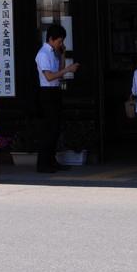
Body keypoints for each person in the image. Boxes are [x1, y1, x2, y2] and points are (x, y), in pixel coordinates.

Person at [35, 23, 80, 173]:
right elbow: (49, 77)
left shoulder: (53, 52)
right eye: (59, 41)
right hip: (47, 93)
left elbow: (58, 71)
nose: (61, 44)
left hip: (54, 91)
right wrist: (68, 69)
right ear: (52, 39)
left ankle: (51, 161)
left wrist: (62, 55)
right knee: (49, 130)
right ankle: (43, 164)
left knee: (55, 129)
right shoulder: (42, 54)